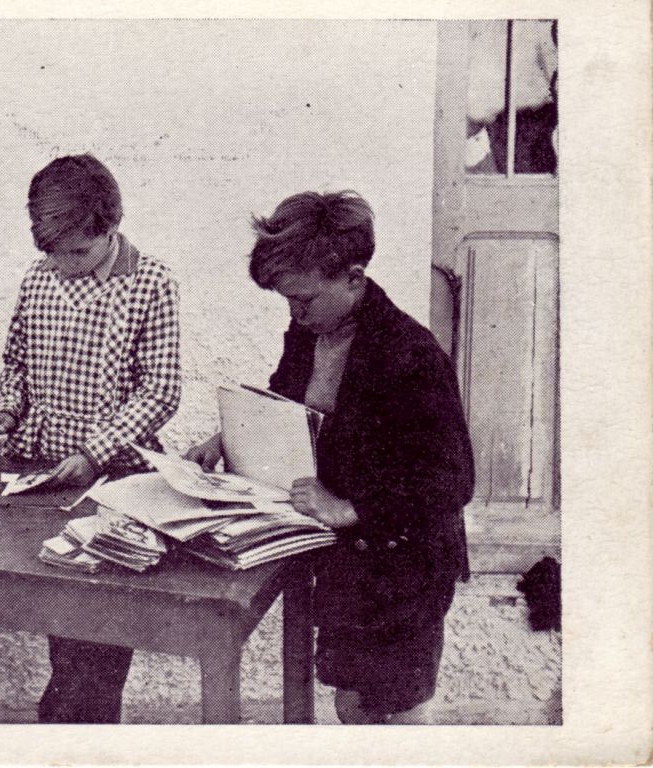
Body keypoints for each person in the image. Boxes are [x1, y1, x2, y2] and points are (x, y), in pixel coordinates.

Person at [185, 191, 474, 724]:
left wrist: (350, 507)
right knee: (352, 701)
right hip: (351, 561)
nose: (295, 313)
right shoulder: (311, 329)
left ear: (354, 278)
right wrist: (226, 438)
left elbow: (452, 480)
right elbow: (285, 401)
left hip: (406, 564)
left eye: (305, 299)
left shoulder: (411, 353)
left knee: (398, 707)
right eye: (287, 301)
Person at [0, 154, 182, 722]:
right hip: (44, 477)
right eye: (53, 253)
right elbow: (16, 363)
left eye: (78, 253)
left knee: (99, 630)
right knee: (60, 610)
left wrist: (96, 453)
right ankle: (72, 720)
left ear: (111, 227)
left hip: (116, 483)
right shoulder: (38, 278)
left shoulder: (151, 283)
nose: (63, 265)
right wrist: (6, 411)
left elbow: (161, 390)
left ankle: (75, 723)